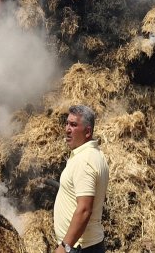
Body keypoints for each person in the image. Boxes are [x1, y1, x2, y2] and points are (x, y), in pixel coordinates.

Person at [52, 104, 109, 253]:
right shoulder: (95, 154)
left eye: (73, 125)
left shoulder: (84, 161)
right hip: (87, 245)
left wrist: (64, 247)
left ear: (87, 131)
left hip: (80, 247)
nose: (67, 129)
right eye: (67, 123)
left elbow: (84, 209)